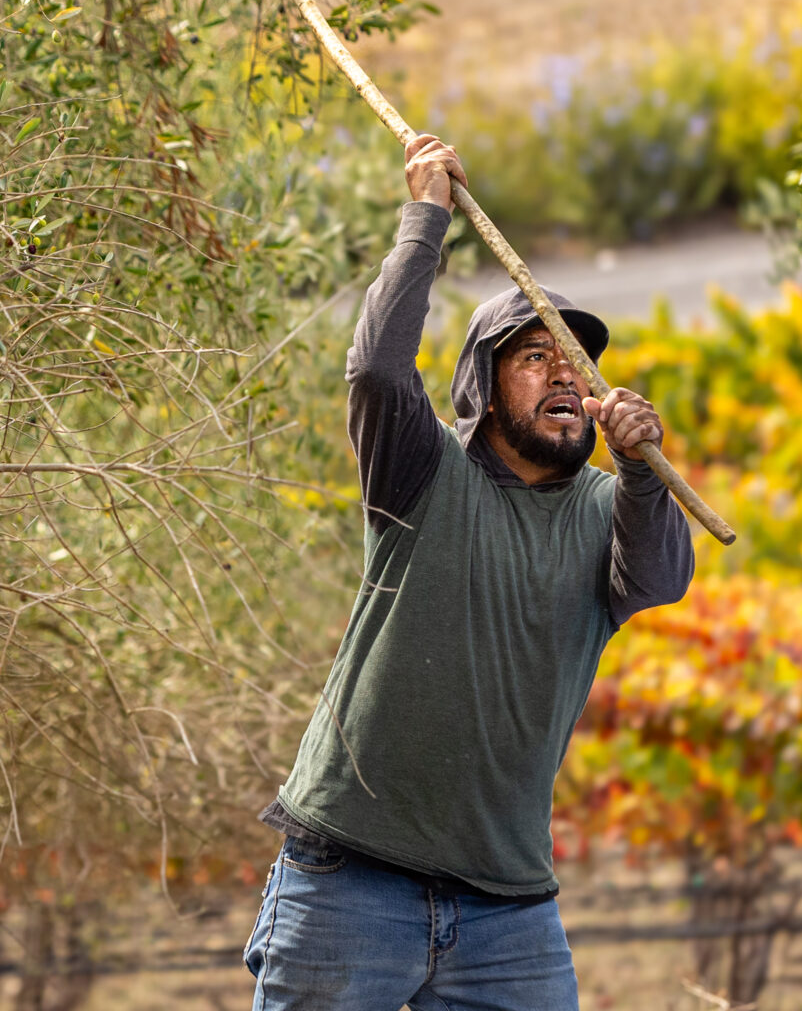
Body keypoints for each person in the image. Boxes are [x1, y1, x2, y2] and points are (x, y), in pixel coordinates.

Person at [244, 132, 698, 1011]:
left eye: (576, 363)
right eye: (535, 357)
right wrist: (426, 218)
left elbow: (660, 579)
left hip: (506, 908)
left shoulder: (610, 506)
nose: (564, 373)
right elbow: (377, 369)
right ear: (483, 391)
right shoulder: (424, 474)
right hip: (350, 880)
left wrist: (643, 466)